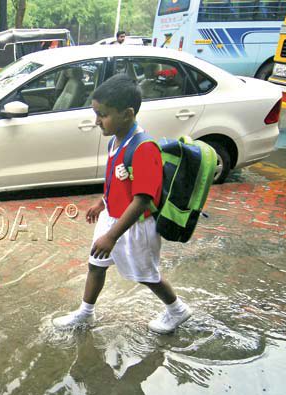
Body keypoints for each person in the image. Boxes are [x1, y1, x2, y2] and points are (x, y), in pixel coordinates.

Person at [52, 74, 192, 334]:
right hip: (112, 218)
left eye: (102, 115)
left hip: (135, 225)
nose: (97, 121)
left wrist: (112, 237)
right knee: (95, 264)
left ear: (127, 114)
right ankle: (85, 313)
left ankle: (177, 310)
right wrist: (102, 203)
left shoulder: (144, 149)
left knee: (146, 275)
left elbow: (142, 200)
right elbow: (118, 184)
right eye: (96, 114)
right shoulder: (115, 140)